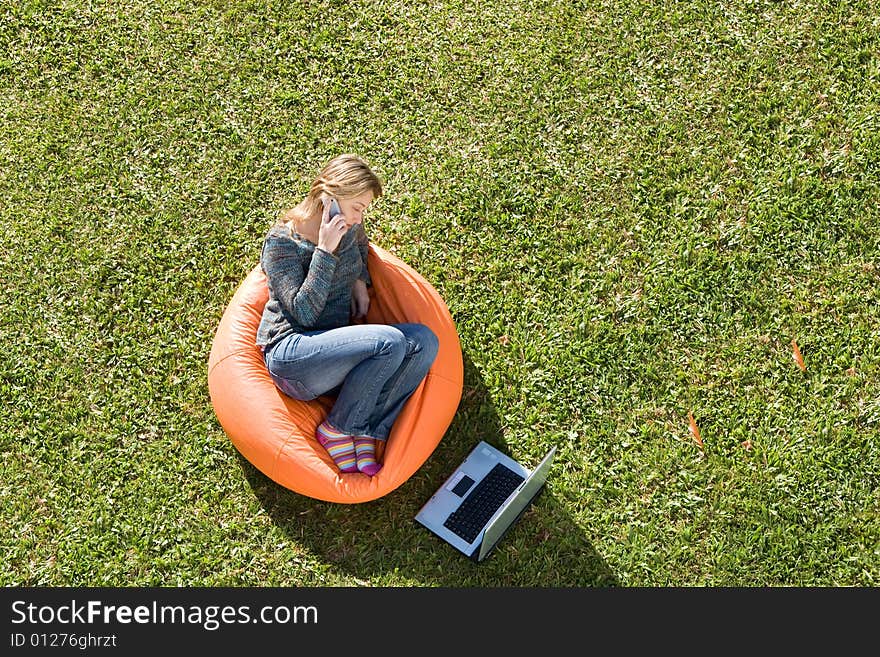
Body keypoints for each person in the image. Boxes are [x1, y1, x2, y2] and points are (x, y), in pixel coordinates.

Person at [256, 154, 439, 476]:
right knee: (389, 342)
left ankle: (367, 430)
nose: (359, 218)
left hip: (333, 356)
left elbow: (360, 246)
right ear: (329, 198)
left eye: (364, 210)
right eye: (358, 207)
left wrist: (359, 282)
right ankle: (339, 428)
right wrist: (325, 251)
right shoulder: (281, 245)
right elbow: (304, 312)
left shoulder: (349, 227)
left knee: (424, 341)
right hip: (292, 354)